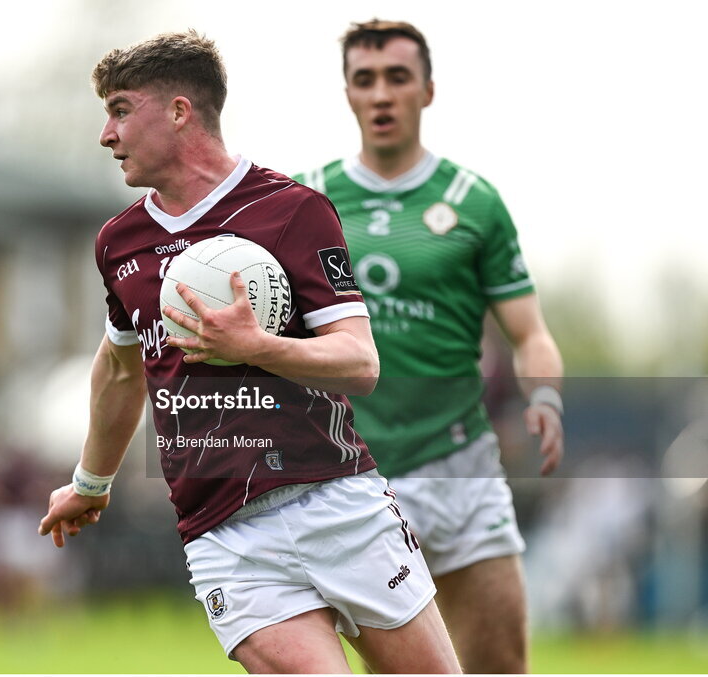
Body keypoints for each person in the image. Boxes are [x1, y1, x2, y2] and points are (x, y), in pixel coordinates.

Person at [38, 30, 460, 674]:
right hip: (226, 535)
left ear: (179, 111)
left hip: (336, 501)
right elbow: (120, 369)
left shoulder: (290, 211)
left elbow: (359, 361)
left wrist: (256, 346)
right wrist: (90, 484)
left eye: (121, 110)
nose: (106, 134)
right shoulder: (118, 243)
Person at [293, 19, 564, 673]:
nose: (381, 94)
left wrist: (547, 395)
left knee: (501, 664)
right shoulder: (305, 201)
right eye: (365, 79)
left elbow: (530, 333)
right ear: (348, 94)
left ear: (428, 90)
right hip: (351, 478)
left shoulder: (474, 203)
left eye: (397, 77)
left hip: (460, 464)